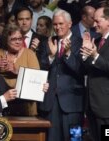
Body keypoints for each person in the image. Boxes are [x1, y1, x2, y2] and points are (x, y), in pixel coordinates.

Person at [37, 9, 85, 141]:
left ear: (70, 24)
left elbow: (81, 70)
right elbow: (40, 68)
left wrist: (68, 54)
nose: (57, 27)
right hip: (51, 103)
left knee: (75, 139)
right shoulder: (48, 42)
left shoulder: (80, 43)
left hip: (73, 103)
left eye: (61, 24)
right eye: (55, 24)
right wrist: (51, 56)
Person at [80, 7, 109, 141]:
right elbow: (88, 69)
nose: (94, 24)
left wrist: (95, 55)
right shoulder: (96, 40)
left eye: (97, 20)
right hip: (92, 106)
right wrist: (85, 53)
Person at [0, 24, 40, 116]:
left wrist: (17, 72)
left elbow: (37, 79)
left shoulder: (29, 54)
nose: (18, 42)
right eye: (14, 39)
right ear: (6, 40)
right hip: (3, 102)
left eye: (20, 38)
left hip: (25, 103)